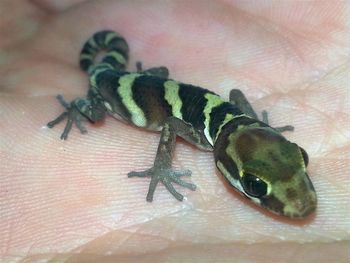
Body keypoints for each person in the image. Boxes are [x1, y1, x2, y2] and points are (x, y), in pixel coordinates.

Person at [1, 0, 349, 262]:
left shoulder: (229, 122)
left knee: (160, 75)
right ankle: (82, 102)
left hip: (142, 83)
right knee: (95, 115)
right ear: (223, 159)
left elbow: (236, 98)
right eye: (255, 186)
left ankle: (121, 69)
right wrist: (161, 166)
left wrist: (261, 127)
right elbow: (172, 123)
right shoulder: (204, 134)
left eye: (298, 159)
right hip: (106, 92)